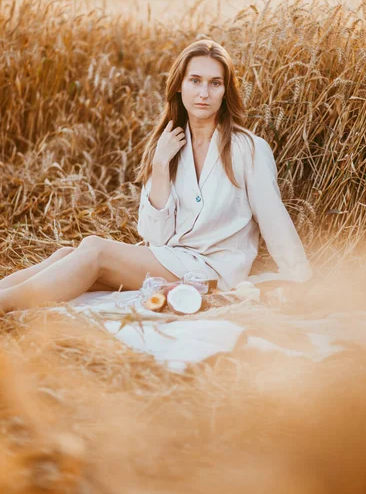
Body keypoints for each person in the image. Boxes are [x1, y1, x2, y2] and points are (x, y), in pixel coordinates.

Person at [0, 39, 312, 313]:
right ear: (180, 85)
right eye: (195, 80)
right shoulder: (168, 144)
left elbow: (274, 219)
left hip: (214, 272)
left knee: (94, 247)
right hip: (170, 258)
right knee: (70, 253)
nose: (204, 92)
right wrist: (161, 164)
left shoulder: (249, 149)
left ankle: (5, 305)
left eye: (215, 83)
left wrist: (300, 280)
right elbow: (156, 236)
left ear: (225, 91)